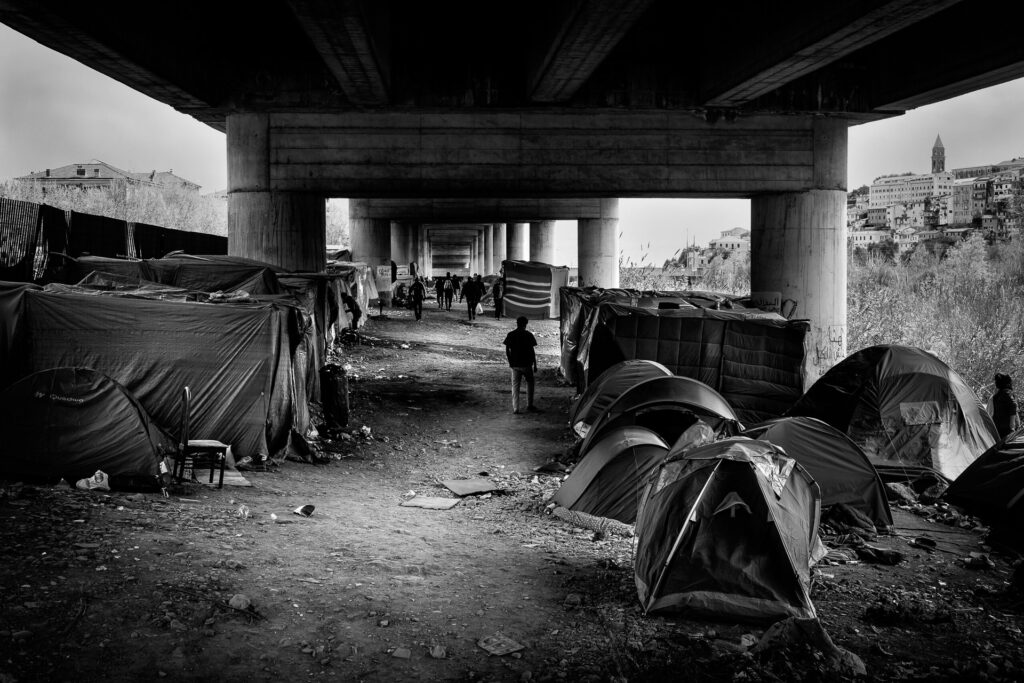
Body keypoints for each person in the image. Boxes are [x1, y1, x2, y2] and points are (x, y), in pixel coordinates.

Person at [503, 315, 539, 414]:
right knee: (530, 383)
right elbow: (532, 351)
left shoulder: (511, 334)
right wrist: (535, 365)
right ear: (525, 324)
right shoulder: (529, 335)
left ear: (517, 323)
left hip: (515, 364)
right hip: (527, 364)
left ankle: (516, 408)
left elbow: (507, 350)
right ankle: (529, 404)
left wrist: (510, 362)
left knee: (515, 386)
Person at [991, 373, 1020, 439]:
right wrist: (1012, 427)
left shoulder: (996, 396)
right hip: (1007, 429)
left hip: (998, 427)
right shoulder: (1008, 393)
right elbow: (1013, 406)